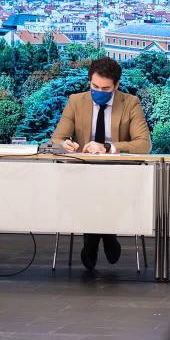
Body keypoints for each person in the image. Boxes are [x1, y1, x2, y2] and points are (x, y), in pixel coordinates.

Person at [51, 56, 151, 271]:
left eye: (105, 88)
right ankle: (105, 233)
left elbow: (144, 144)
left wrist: (108, 147)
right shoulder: (76, 101)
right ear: (89, 82)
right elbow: (57, 138)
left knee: (106, 193)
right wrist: (65, 144)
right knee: (74, 192)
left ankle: (92, 237)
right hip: (82, 174)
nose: (99, 91)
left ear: (116, 85)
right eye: (94, 86)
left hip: (119, 175)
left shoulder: (130, 103)